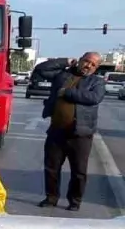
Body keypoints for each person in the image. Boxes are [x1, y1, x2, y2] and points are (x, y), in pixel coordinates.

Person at [40, 52, 106, 211]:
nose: (88, 66)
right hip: (57, 131)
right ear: (80, 60)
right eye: (86, 61)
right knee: (51, 168)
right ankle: (51, 197)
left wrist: (67, 93)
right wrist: (65, 61)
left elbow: (94, 98)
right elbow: (41, 70)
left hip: (80, 134)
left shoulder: (96, 82)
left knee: (79, 171)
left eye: (93, 65)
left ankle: (75, 201)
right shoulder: (63, 75)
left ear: (96, 68)